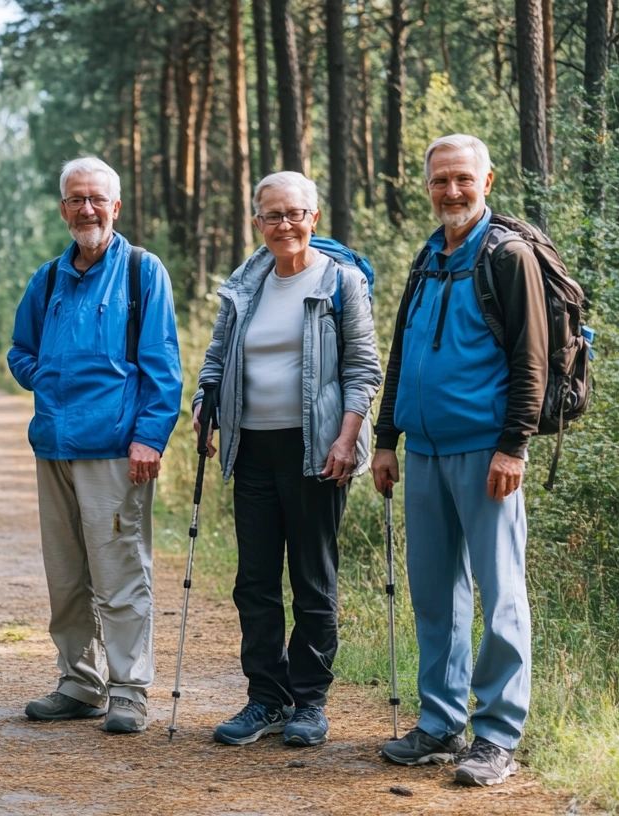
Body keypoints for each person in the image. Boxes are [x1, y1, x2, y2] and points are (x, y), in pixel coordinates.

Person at [372, 134, 547, 787]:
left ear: (487, 180)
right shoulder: (427, 256)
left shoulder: (508, 255)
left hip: (486, 451)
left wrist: (514, 446)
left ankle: (497, 735)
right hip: (424, 453)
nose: (451, 191)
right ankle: (441, 723)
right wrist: (386, 439)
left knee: (500, 593)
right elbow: (401, 353)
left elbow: (530, 358)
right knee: (435, 593)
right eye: (440, 180)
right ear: (428, 185)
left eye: (462, 179)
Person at [194, 171, 382, 748]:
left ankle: (310, 703)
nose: (284, 225)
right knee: (253, 581)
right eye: (272, 216)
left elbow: (363, 369)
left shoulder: (341, 283)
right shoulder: (245, 285)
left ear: (314, 218)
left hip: (317, 450)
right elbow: (217, 357)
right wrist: (205, 404)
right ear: (258, 223)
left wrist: (347, 440)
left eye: (294, 214)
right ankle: (265, 699)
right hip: (251, 447)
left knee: (312, 579)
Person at [8, 157, 183, 734]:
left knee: (121, 572)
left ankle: (129, 687)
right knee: (66, 575)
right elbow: (20, 351)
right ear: (63, 209)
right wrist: (49, 378)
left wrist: (148, 438)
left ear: (116, 206)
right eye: (76, 199)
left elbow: (163, 366)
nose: (87, 209)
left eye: (96, 199)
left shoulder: (141, 271)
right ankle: (80, 683)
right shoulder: (49, 278)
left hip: (115, 451)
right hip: (54, 449)